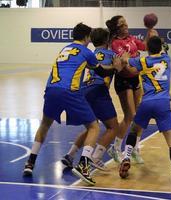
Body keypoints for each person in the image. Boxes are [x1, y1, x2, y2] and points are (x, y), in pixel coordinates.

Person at [23, 23, 121, 185]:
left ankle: (30, 162)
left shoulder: (64, 49)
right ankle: (83, 164)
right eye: (89, 37)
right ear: (86, 37)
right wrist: (116, 68)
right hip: (70, 91)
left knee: (45, 125)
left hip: (51, 89)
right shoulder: (86, 52)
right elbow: (102, 72)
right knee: (94, 127)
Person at [118, 36, 171, 189]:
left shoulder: (141, 62)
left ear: (147, 49)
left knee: (134, 130)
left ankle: (126, 157)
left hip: (146, 102)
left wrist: (125, 58)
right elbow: (163, 48)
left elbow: (127, 63)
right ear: (161, 48)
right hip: (163, 103)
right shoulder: (166, 59)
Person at [61, 28, 120, 171]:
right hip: (99, 91)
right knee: (113, 127)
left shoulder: (90, 54)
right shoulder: (112, 55)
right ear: (107, 40)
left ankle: (70, 155)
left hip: (84, 91)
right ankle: (95, 157)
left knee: (91, 127)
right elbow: (118, 68)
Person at [105, 15, 158, 164]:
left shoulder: (132, 39)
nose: (126, 24)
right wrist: (138, 70)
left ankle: (135, 148)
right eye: (122, 23)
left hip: (135, 79)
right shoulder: (116, 43)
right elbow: (125, 64)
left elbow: (145, 46)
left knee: (139, 115)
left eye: (125, 22)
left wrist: (150, 32)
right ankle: (116, 148)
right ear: (117, 28)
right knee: (131, 115)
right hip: (124, 80)